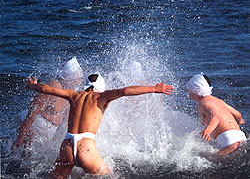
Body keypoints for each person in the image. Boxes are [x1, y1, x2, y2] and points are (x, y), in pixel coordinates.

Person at [25, 73, 174, 178]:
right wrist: (154, 89)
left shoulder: (73, 95)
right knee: (110, 176)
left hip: (67, 146)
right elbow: (125, 91)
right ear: (101, 87)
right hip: (86, 148)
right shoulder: (101, 96)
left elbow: (46, 89)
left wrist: (33, 86)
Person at [11, 57, 83, 154]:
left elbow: (66, 118)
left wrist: (57, 135)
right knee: (23, 154)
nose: (79, 82)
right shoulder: (54, 86)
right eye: (78, 79)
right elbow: (33, 111)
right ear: (70, 78)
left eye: (80, 79)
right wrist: (21, 136)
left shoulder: (70, 92)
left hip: (49, 130)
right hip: (35, 125)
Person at [186, 72, 247, 156]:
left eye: (190, 93)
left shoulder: (202, 103)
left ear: (196, 91)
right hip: (239, 135)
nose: (189, 96)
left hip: (228, 139)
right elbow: (237, 114)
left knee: (210, 160)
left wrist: (208, 130)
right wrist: (240, 120)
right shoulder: (218, 101)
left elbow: (216, 118)